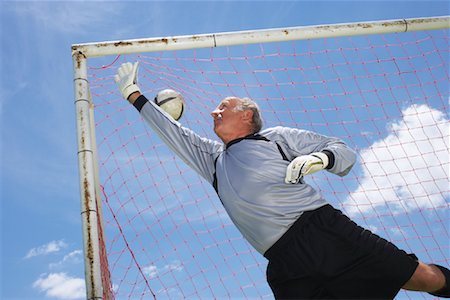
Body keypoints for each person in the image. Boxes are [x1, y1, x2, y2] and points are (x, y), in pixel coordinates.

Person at [115, 62, 449, 299]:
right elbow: (173, 132)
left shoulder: (275, 138)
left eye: (223, 106)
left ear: (247, 114)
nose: (214, 112)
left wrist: (320, 159)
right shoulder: (212, 160)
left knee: (422, 277)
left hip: (324, 231)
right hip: (283, 261)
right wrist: (134, 94)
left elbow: (342, 151)